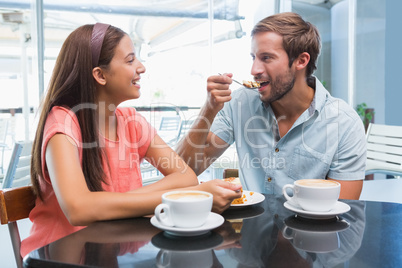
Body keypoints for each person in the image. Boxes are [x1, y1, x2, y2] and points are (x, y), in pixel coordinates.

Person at [21, 23, 241, 257]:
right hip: (57, 256)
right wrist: (190, 197)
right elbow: (79, 209)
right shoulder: (63, 123)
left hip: (107, 251)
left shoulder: (131, 121)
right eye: (129, 60)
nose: (141, 67)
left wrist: (104, 203)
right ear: (99, 75)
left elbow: (186, 177)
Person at [176, 12, 366, 200]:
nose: (254, 70)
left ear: (301, 61)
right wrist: (209, 109)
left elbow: (344, 211)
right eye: (254, 57)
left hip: (310, 229)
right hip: (250, 227)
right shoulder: (239, 103)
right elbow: (183, 171)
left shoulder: (344, 124)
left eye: (266, 58)